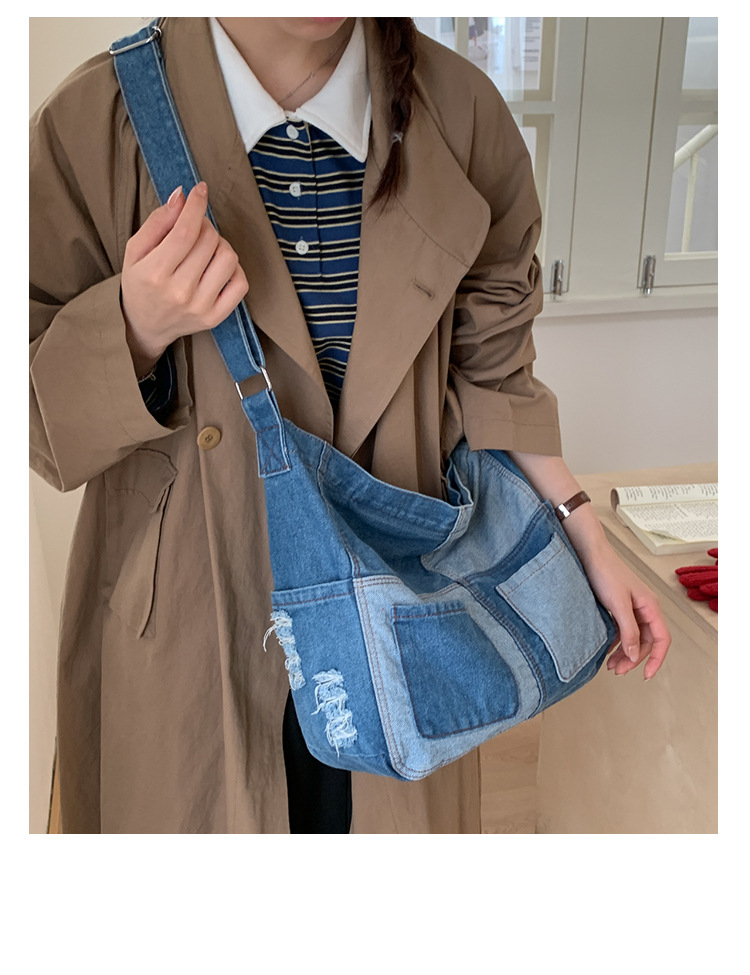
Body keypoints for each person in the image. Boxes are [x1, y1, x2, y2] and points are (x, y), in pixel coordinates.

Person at [29, 17, 671, 834]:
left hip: (405, 603)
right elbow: (37, 419)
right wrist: (132, 326)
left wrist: (584, 533)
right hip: (193, 611)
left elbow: (495, 374)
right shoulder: (97, 121)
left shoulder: (461, 113)